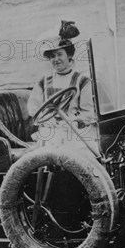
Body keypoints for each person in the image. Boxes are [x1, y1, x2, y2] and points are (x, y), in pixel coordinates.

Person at [27, 20, 97, 153]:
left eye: (60, 54)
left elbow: (88, 112)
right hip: (50, 131)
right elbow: (34, 107)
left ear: (69, 55)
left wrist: (74, 123)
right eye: (52, 56)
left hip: (76, 132)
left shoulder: (82, 81)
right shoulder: (44, 81)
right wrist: (44, 120)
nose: (56, 59)